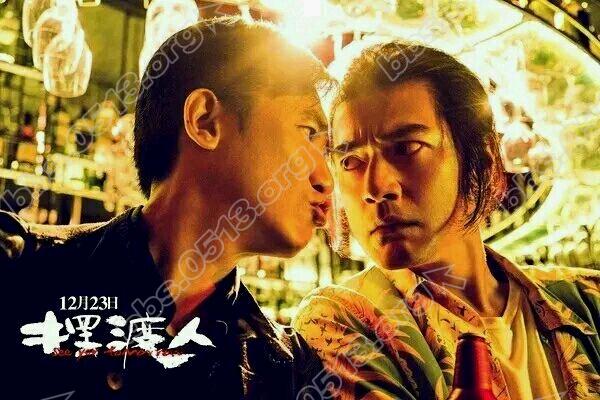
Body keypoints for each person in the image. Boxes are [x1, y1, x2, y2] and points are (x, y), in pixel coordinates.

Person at [0, 17, 334, 399]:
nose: (326, 179)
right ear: (205, 121)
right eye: (308, 133)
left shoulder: (285, 373)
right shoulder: (19, 271)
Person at [293, 41, 600, 400]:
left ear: (483, 157)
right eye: (351, 162)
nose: (375, 187)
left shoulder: (587, 301)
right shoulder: (344, 321)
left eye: (406, 148)